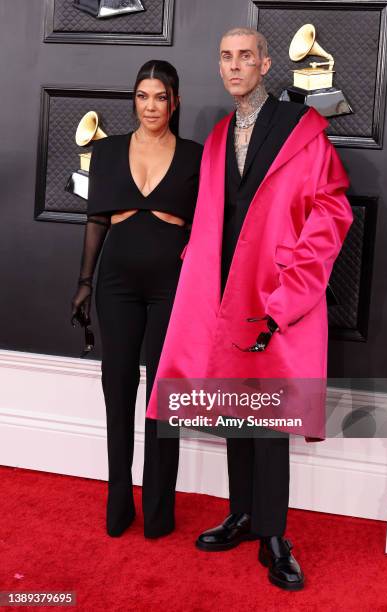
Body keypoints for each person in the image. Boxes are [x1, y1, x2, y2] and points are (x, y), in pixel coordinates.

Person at [146, 29, 353, 589]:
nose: (234, 66)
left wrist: (290, 293)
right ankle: (242, 514)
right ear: (219, 67)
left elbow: (330, 214)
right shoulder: (215, 137)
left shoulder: (301, 131)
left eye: (245, 57)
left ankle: (276, 534)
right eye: (225, 57)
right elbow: (215, 215)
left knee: (272, 417)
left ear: (264, 64)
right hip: (221, 294)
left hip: (275, 291)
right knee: (233, 405)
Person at [70, 60, 203, 538]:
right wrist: (85, 282)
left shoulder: (195, 156)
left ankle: (160, 512)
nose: (151, 106)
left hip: (173, 285)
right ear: (134, 100)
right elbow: (95, 221)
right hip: (116, 285)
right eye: (143, 96)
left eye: (160, 97)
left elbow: (208, 228)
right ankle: (119, 504)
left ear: (175, 101)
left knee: (164, 394)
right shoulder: (106, 152)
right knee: (118, 387)